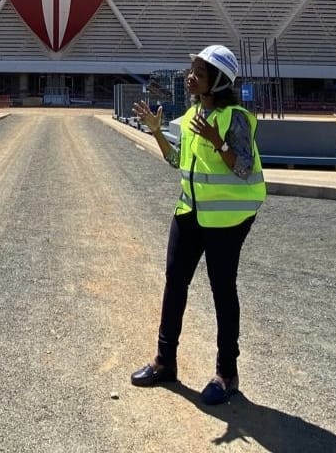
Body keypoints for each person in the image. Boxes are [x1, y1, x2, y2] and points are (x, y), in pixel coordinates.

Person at [129, 44, 266, 405]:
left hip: (226, 219)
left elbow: (244, 168)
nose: (190, 78)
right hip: (190, 212)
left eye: (198, 74)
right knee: (175, 281)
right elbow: (177, 162)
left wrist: (218, 142)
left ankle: (226, 374)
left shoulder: (234, 117)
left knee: (223, 291)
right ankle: (164, 361)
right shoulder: (192, 114)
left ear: (218, 81)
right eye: (191, 71)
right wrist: (157, 132)